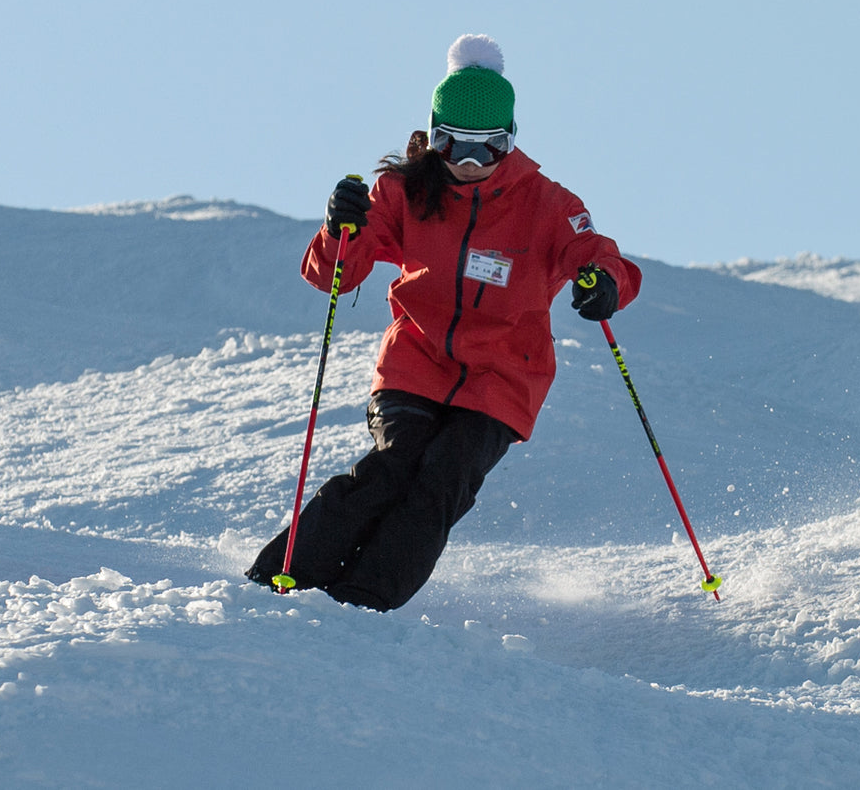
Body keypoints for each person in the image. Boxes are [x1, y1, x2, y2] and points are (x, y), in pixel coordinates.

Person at [246, 33, 642, 611]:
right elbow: (333, 275)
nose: (469, 164)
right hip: (416, 362)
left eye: (488, 149)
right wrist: (339, 229)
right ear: (433, 136)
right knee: (392, 466)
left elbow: (601, 256)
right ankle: (280, 577)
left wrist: (604, 283)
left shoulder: (547, 205)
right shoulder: (403, 192)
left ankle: (362, 603)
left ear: (510, 141)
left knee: (442, 479)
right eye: (452, 145)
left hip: (503, 378)